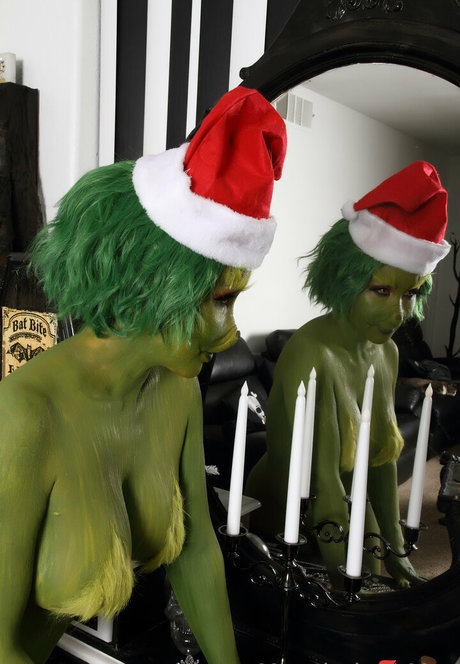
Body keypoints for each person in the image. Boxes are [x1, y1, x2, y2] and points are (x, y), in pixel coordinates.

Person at [0, 86, 286, 663]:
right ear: (150, 284)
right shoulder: (25, 415)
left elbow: (195, 550)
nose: (230, 333)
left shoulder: (177, 390)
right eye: (219, 301)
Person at [246, 161, 450, 589]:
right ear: (344, 278)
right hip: (282, 509)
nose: (400, 313)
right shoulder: (310, 351)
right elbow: (319, 483)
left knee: (380, 570)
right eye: (381, 291)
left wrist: (398, 554)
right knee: (362, 585)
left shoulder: (388, 352)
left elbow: (381, 460)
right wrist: (356, 584)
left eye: (411, 293)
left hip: (343, 496)